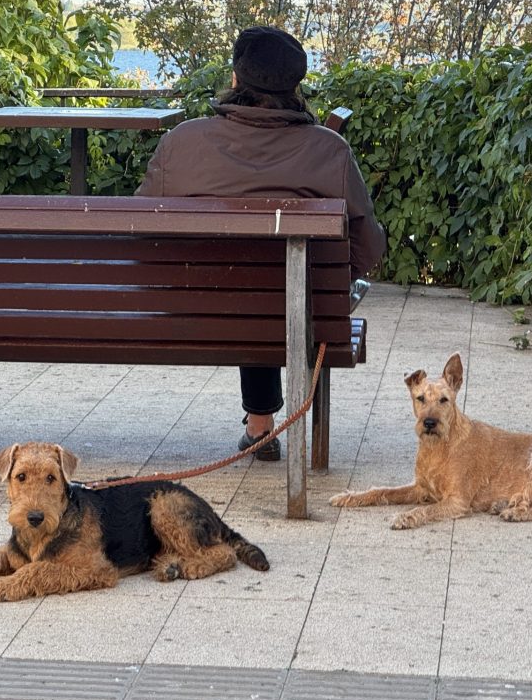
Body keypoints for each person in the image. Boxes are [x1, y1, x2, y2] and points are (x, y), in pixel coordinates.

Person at [135, 25, 386, 460]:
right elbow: (368, 252)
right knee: (279, 287)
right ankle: (264, 425)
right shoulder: (329, 151)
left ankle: (260, 425)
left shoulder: (181, 143)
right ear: (296, 86)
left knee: (247, 285)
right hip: (292, 315)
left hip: (184, 312)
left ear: (235, 79)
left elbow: (137, 233)